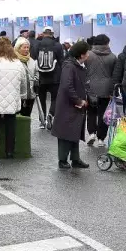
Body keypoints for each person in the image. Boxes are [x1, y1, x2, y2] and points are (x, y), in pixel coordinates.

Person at [51, 40, 91, 170]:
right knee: (65, 133)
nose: (88, 55)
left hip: (74, 105)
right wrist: (78, 101)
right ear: (81, 55)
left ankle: (75, 158)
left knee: (74, 131)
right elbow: (67, 86)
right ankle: (62, 160)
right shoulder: (69, 66)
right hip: (68, 105)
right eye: (87, 53)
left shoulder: (77, 65)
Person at [83, 34, 117, 146]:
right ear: (107, 43)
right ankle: (101, 138)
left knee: (91, 112)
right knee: (104, 113)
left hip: (91, 87)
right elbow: (115, 75)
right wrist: (114, 91)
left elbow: (84, 70)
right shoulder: (112, 57)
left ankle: (92, 132)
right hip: (106, 89)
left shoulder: (88, 55)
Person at [31, 27, 62, 128]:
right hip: (55, 77)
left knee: (41, 99)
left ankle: (42, 120)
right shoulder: (58, 45)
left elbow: (33, 59)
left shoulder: (37, 45)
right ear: (52, 34)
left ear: (43, 34)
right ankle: (51, 114)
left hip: (41, 77)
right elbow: (62, 61)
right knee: (55, 98)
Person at [15, 37, 39, 117]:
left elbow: (36, 73)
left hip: (30, 96)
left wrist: (36, 79)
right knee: (17, 119)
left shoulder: (32, 61)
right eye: (24, 47)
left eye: (28, 47)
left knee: (27, 117)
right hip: (17, 97)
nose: (26, 49)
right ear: (18, 48)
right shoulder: (13, 61)